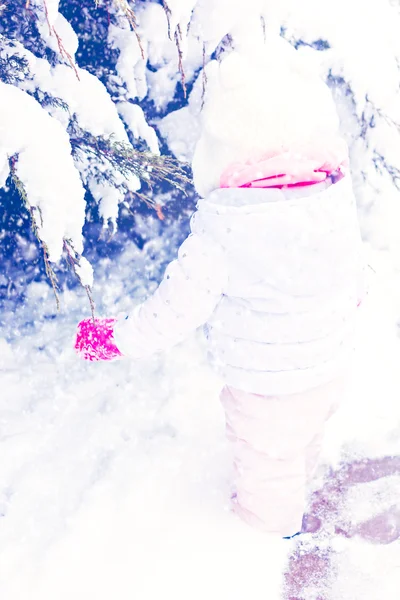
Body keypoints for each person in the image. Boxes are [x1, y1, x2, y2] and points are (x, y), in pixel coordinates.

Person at [75, 44, 364, 538]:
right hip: (328, 367)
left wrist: (113, 338)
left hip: (265, 386)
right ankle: (298, 489)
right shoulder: (331, 200)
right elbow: (355, 275)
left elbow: (174, 311)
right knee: (301, 444)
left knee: (266, 472)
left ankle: (265, 541)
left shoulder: (225, 228)